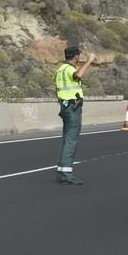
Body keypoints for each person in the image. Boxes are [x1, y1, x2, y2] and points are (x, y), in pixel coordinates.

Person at [55, 45, 96, 185]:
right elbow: (78, 75)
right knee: (71, 140)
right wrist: (89, 60)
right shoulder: (69, 69)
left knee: (66, 139)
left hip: (65, 106)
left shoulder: (60, 69)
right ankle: (66, 174)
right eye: (79, 56)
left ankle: (61, 171)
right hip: (72, 107)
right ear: (76, 56)